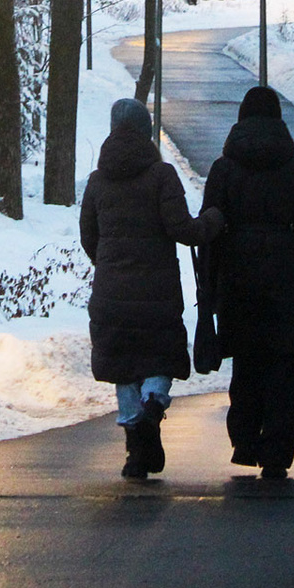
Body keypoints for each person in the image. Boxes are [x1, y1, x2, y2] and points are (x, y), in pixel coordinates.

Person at [80, 98, 224, 479]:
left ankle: (135, 453)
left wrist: (111, 266)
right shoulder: (162, 176)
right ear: (146, 131)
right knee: (159, 360)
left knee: (124, 367)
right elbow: (183, 230)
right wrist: (213, 220)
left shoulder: (97, 182)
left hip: (111, 295)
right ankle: (152, 406)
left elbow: (88, 238)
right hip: (157, 295)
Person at [199, 87, 294, 480]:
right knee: (284, 363)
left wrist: (208, 286)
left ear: (241, 120)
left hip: (237, 276)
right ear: (279, 121)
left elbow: (210, 227)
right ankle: (276, 452)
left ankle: (244, 441)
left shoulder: (223, 169)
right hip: (286, 279)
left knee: (246, 360)